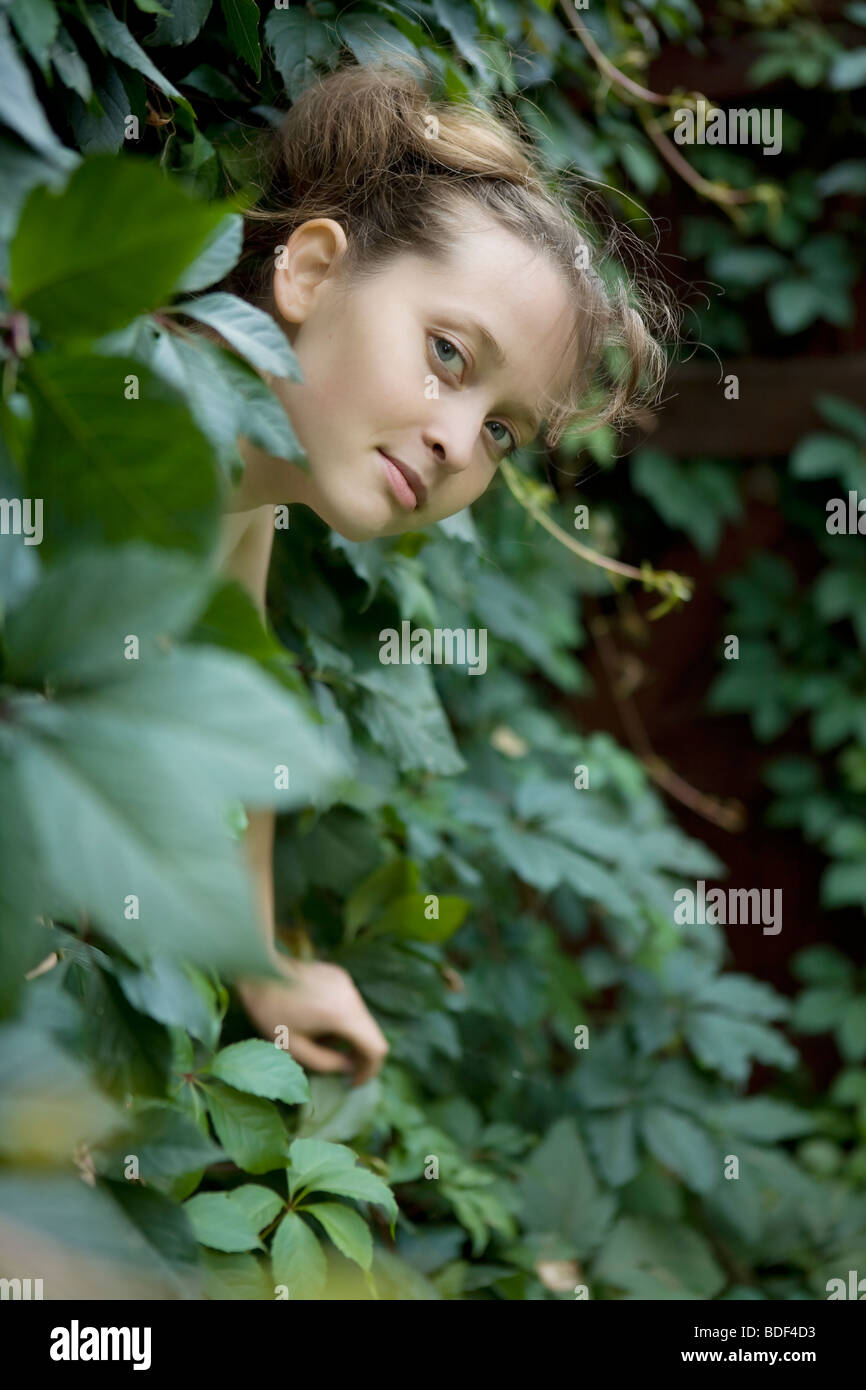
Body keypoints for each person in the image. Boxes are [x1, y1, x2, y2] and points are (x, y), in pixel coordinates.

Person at [214, 61, 670, 1087]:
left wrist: (265, 961)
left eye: (503, 433)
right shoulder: (88, 428)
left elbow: (233, 724)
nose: (460, 443)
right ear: (311, 272)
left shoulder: (240, 507)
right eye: (450, 356)